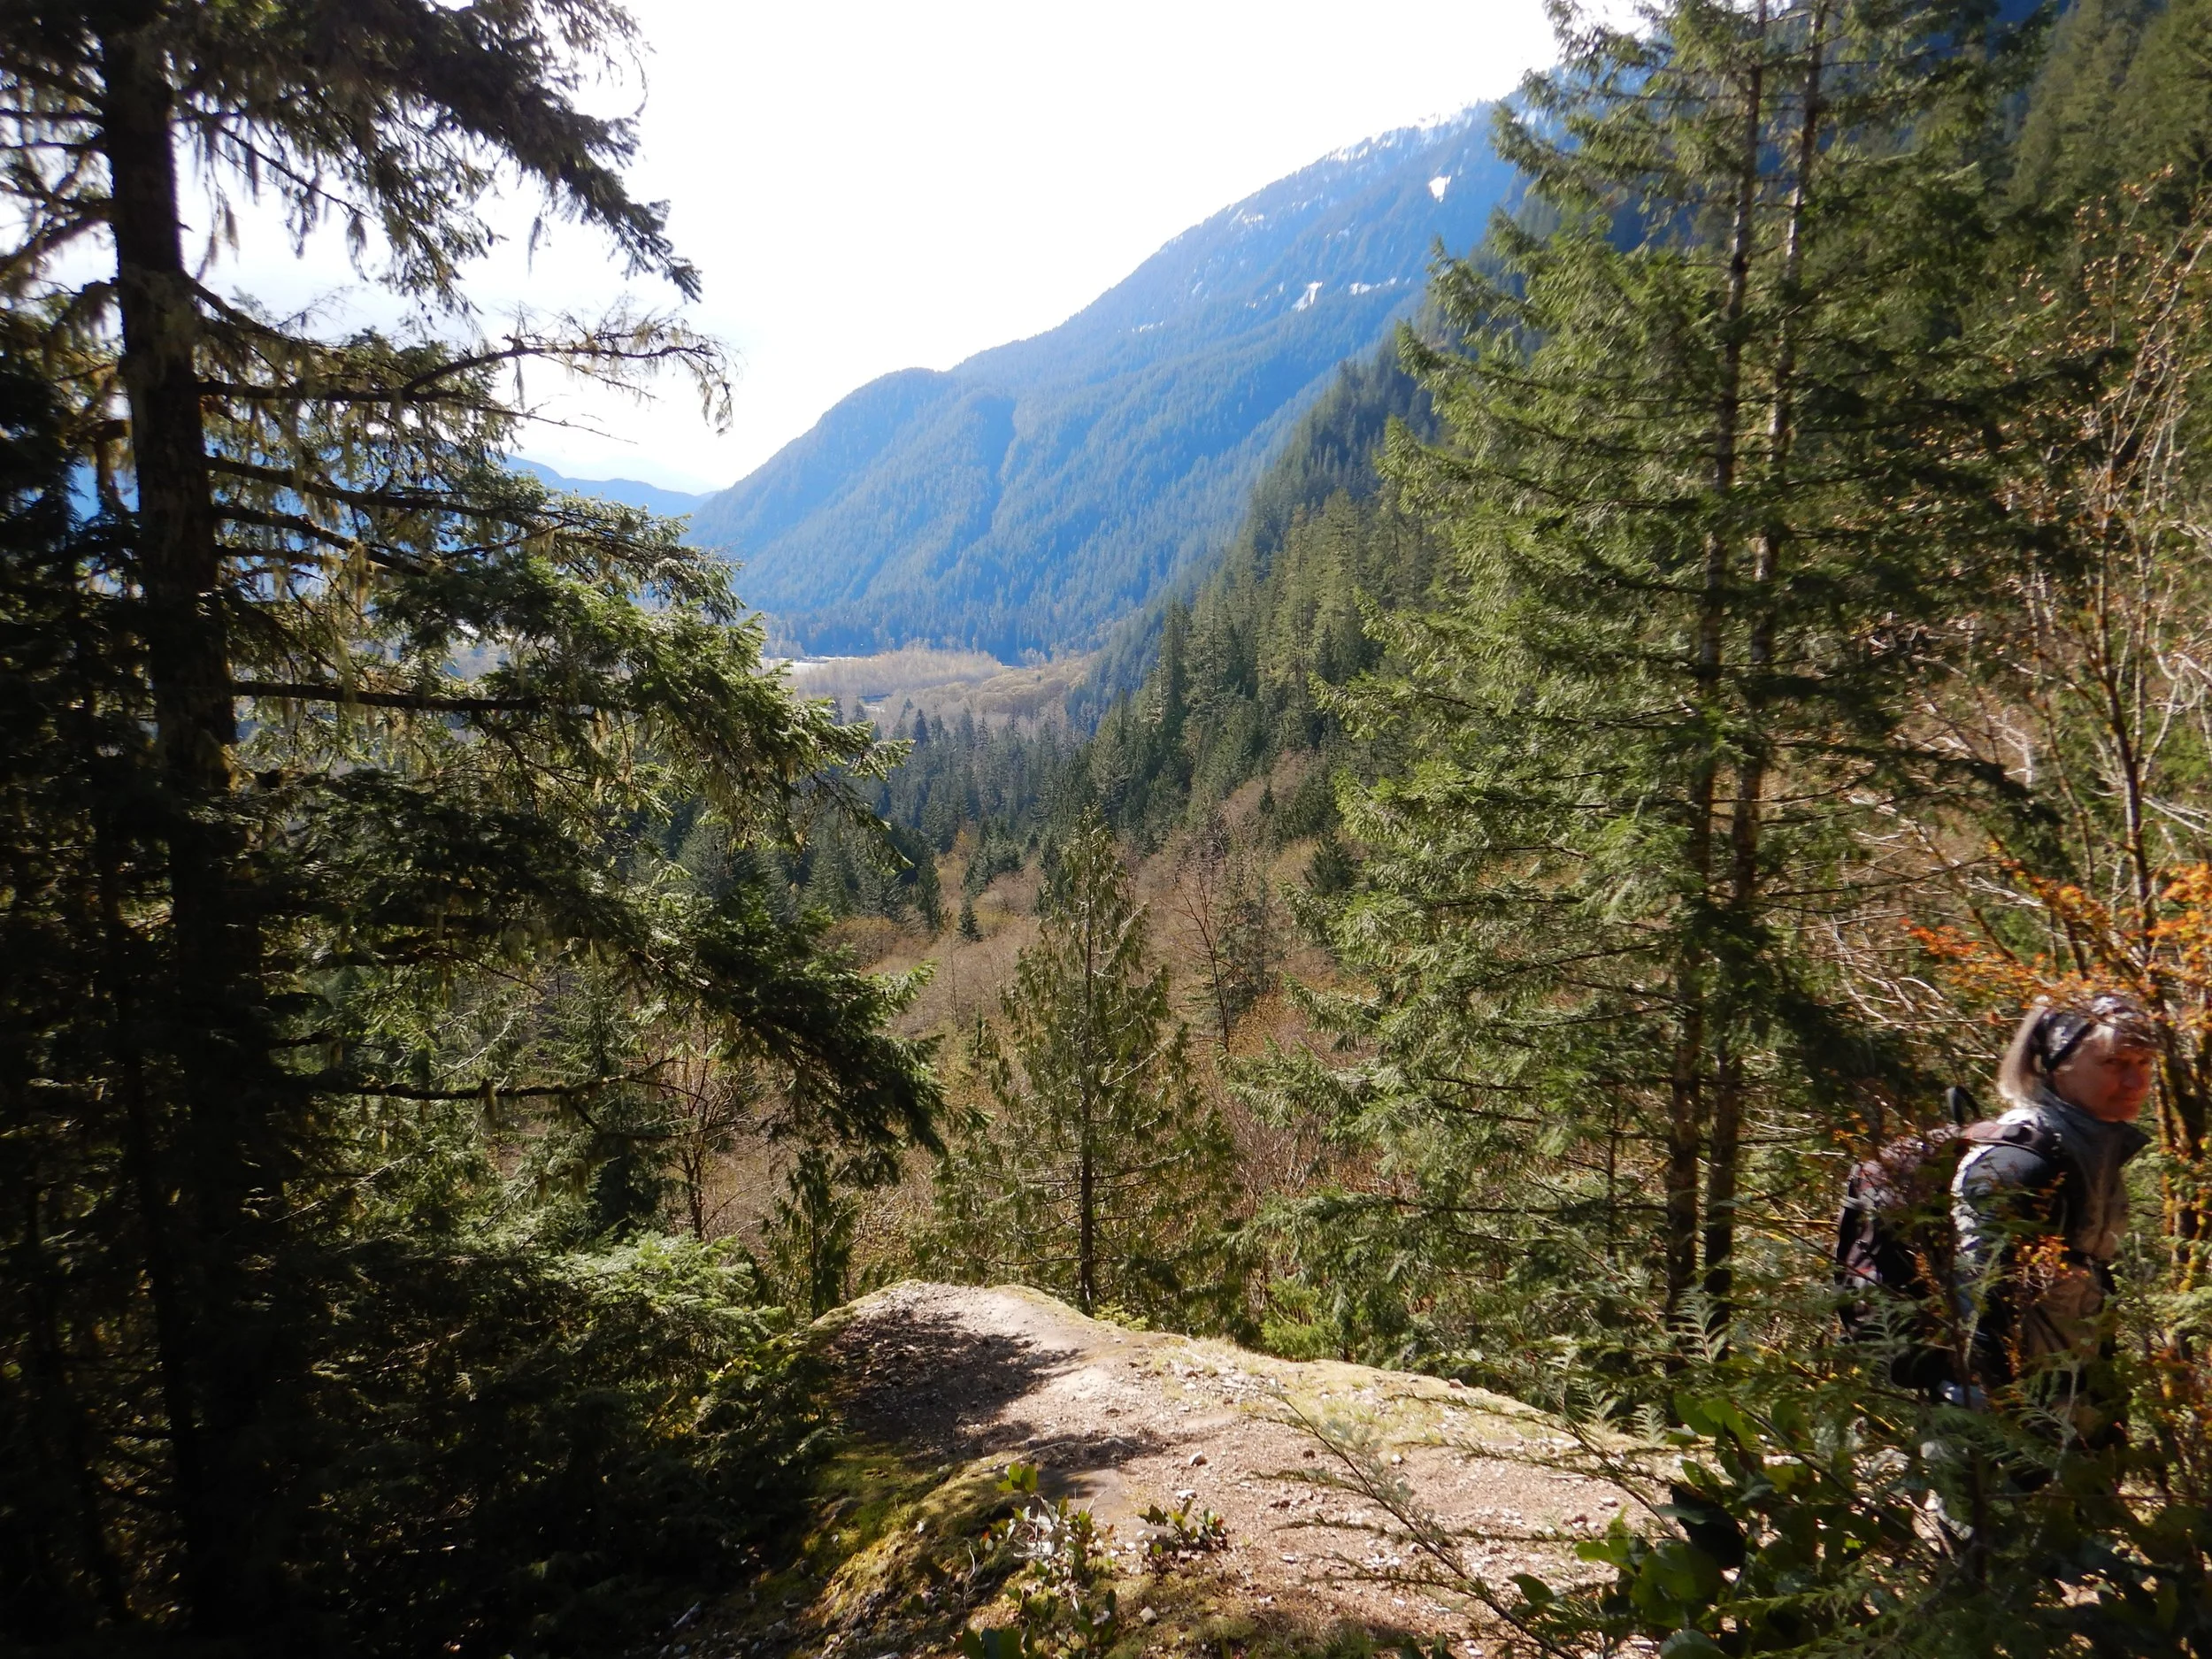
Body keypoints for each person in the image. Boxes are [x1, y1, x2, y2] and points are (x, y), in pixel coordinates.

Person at [1951, 993, 2155, 1441]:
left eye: (2143, 1062)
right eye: (2114, 1062)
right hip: (2000, 1432)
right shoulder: (2018, 1164)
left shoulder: (2088, 1150)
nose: (2135, 1081)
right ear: (2058, 1066)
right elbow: (1978, 1313)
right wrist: (2013, 1435)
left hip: (2070, 1413)